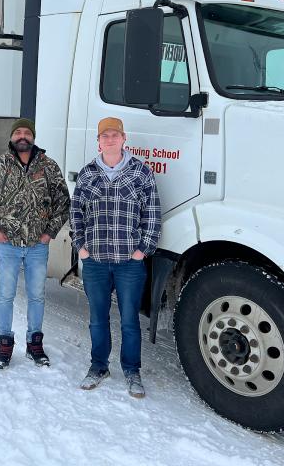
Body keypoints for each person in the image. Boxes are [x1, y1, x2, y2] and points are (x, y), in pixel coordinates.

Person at [70, 117, 161, 397]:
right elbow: (76, 214)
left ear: (124, 139)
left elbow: (153, 215)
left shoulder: (140, 173)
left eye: (114, 135)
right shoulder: (87, 174)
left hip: (129, 264)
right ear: (98, 141)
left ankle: (132, 371)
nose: (109, 140)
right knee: (98, 318)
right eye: (104, 136)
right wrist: (81, 247)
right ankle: (99, 366)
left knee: (130, 320)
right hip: (95, 262)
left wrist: (141, 251)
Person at [0, 118, 70, 369]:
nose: (22, 136)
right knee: (5, 295)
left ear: (33, 137)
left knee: (37, 295)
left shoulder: (48, 166)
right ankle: (4, 345)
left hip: (38, 246)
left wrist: (49, 232)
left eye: (27, 132)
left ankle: (34, 344)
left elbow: (63, 203)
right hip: (9, 245)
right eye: (18, 132)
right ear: (12, 138)